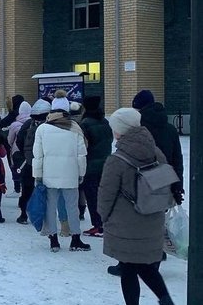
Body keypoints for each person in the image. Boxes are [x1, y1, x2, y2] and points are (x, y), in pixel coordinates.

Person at [99, 108, 184, 305]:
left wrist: (104, 217)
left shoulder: (117, 160)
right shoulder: (155, 152)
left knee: (128, 268)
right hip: (153, 217)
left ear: (120, 131)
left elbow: (106, 194)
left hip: (125, 222)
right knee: (144, 265)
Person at [107, 89, 184, 276]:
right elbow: (177, 159)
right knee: (157, 223)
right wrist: (177, 187)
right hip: (164, 181)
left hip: (139, 183)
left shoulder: (138, 129)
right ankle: (154, 261)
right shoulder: (170, 128)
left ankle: (127, 264)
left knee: (131, 225)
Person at [32, 90, 90, 252]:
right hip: (70, 174)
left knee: (50, 207)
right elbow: (81, 155)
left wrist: (38, 175)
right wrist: (81, 173)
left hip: (49, 175)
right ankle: (75, 239)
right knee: (72, 207)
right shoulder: (74, 127)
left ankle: (53, 240)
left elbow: (38, 156)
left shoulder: (42, 129)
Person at [79, 96, 113, 237]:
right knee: (102, 194)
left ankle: (98, 225)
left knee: (92, 196)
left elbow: (83, 145)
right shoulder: (105, 121)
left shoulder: (85, 123)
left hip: (91, 165)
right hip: (105, 163)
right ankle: (105, 222)